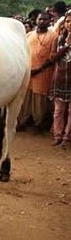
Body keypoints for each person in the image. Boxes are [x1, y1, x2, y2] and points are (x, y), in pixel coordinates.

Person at [18, 12, 58, 132]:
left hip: (43, 72)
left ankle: (38, 123)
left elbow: (53, 57)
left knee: (39, 100)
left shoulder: (54, 36)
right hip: (28, 72)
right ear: (36, 20)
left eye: (45, 20)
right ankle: (22, 122)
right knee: (25, 98)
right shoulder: (29, 35)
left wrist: (39, 69)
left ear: (49, 21)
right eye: (40, 19)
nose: (42, 22)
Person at [49, 10, 71, 146]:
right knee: (58, 111)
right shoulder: (58, 39)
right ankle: (57, 136)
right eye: (68, 21)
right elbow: (52, 58)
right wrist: (67, 46)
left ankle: (66, 137)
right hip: (60, 79)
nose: (70, 24)